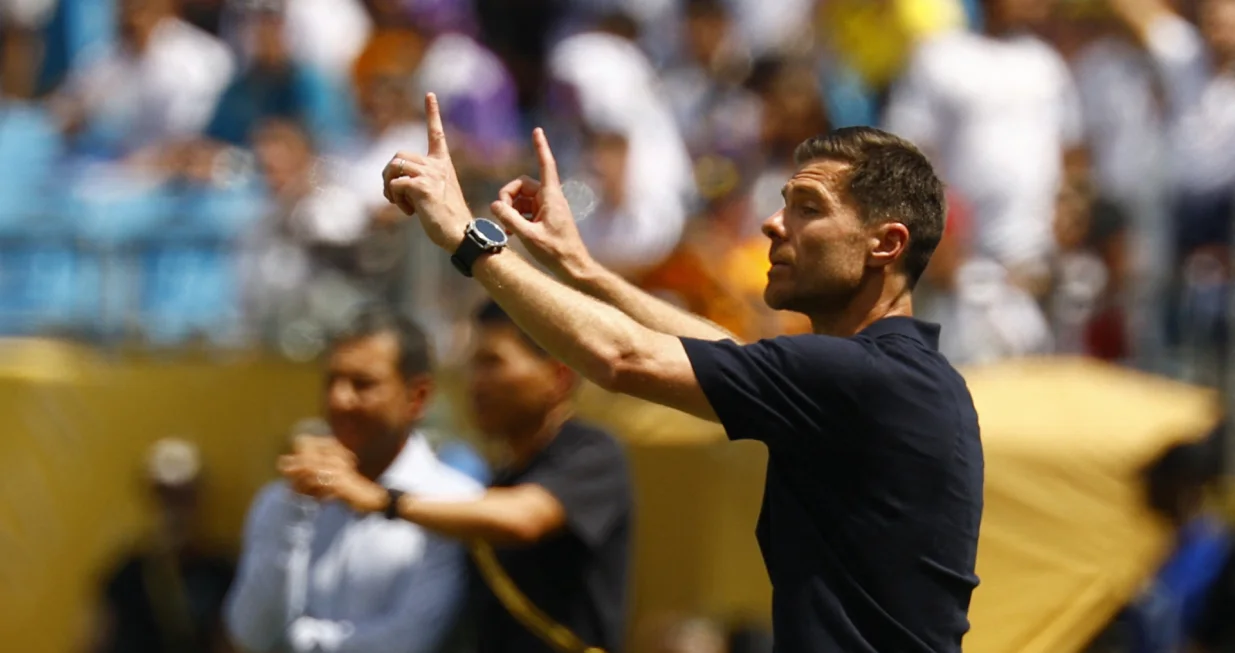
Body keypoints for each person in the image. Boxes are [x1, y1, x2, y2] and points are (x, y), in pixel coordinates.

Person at [364, 94, 983, 652]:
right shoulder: (888, 374)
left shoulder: (865, 376)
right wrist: (583, 268)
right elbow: (722, 349)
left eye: (808, 208)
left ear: (885, 244)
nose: (773, 224)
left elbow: (623, 357)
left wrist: (466, 237)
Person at [279, 298, 634, 653]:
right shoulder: (501, 477)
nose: (475, 382)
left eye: (491, 363)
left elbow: (523, 519)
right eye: (472, 365)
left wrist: (381, 499)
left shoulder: (592, 453)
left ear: (559, 376)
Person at [224, 305, 482, 653]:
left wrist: (296, 641)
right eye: (331, 381)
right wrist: (294, 507)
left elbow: (408, 641)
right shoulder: (282, 500)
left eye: (363, 384)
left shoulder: (453, 503)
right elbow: (250, 633)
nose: (338, 400)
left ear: (417, 396)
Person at [90, 438, 236, 653]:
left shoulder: (220, 573)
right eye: (165, 497)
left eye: (183, 497)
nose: (173, 509)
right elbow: (95, 641)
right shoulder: (126, 575)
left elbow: (230, 641)